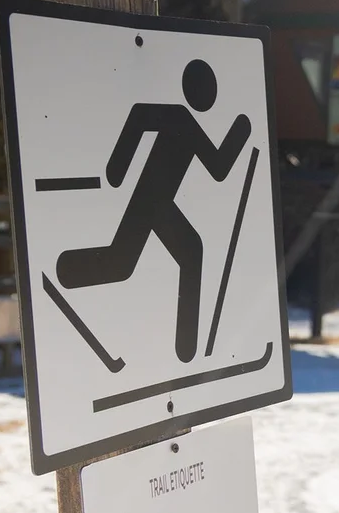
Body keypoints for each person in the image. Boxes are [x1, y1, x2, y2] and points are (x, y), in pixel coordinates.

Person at [56, 58, 252, 362]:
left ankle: (186, 349)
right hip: (149, 197)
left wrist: (240, 131)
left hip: (161, 202)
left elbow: (219, 168)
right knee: (122, 263)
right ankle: (65, 268)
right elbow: (139, 116)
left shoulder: (191, 127)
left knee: (184, 252)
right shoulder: (176, 116)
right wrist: (116, 168)